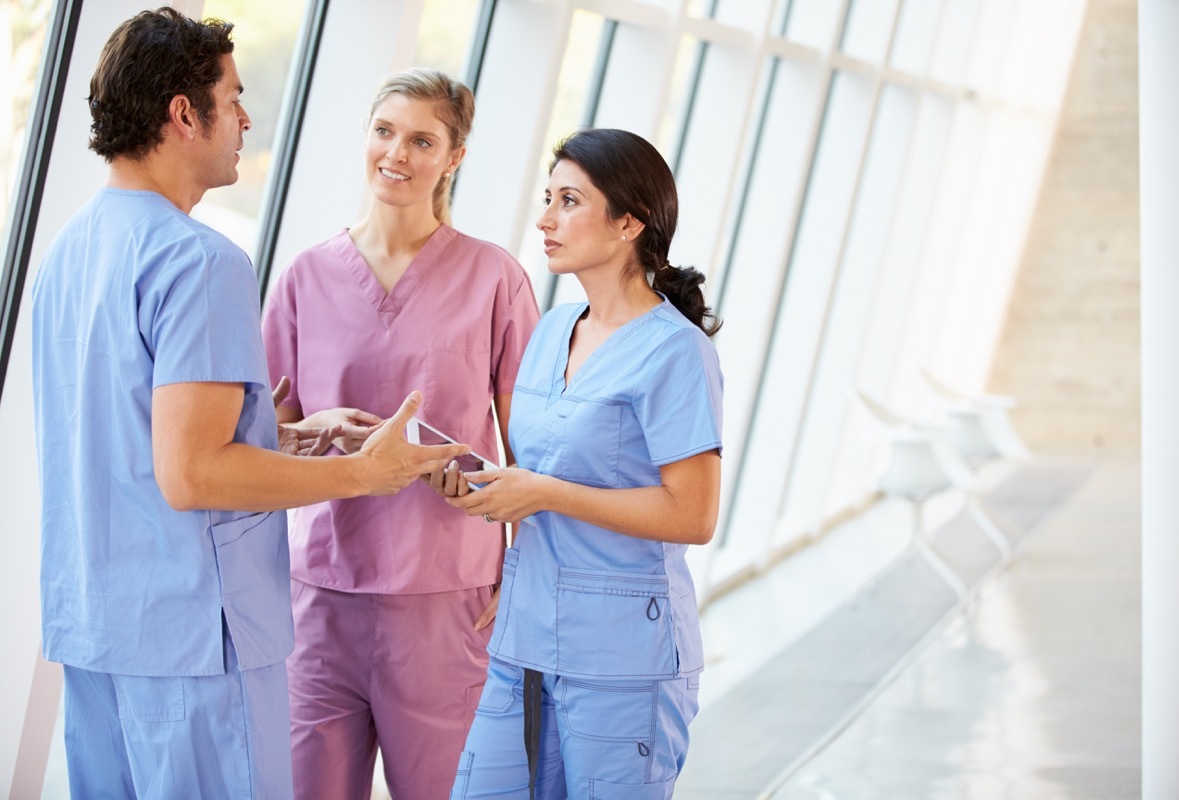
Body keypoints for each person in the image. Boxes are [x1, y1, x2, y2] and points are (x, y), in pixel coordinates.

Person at [30, 10, 468, 799]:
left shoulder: (70, 250)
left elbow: (134, 436)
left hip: (97, 628)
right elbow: (193, 474)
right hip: (195, 643)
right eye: (232, 99)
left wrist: (284, 434)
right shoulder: (199, 260)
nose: (246, 118)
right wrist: (366, 475)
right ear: (183, 114)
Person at [260, 67, 539, 799]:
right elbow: (263, 437)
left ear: (454, 159)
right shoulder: (306, 277)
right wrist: (307, 432)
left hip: (448, 596)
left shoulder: (495, 280)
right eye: (385, 131)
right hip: (321, 593)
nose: (397, 153)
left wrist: (527, 565)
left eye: (422, 140)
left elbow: (533, 445)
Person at [445, 128, 724, 798]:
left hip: (624, 660)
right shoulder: (550, 332)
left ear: (629, 222)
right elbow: (540, 467)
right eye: (548, 198)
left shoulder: (676, 353)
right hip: (525, 642)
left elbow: (693, 514)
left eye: (569, 201)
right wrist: (482, 485)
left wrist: (541, 491)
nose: (545, 219)